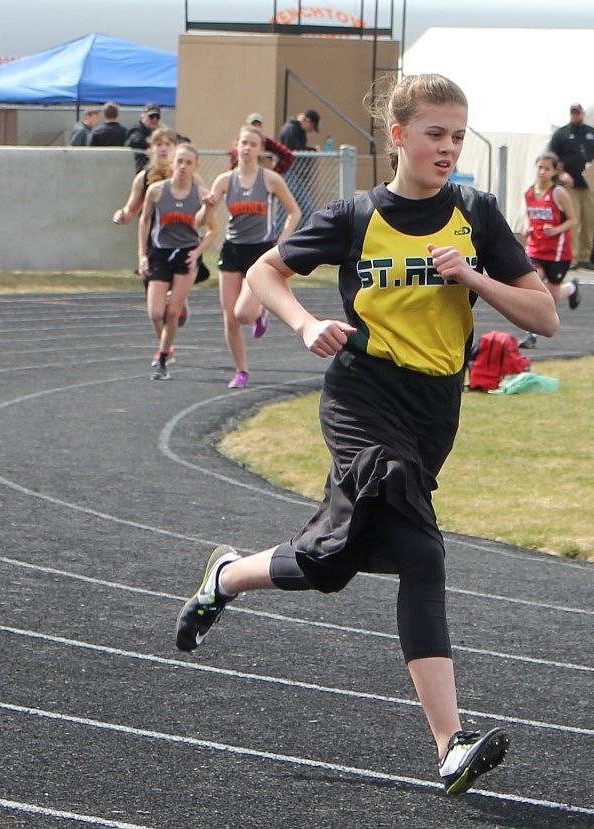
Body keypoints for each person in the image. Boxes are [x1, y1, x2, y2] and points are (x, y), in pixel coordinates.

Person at [174, 73, 558, 795]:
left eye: (456, 134)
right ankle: (451, 743)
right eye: (433, 133)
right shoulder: (355, 215)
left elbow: (543, 317)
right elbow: (264, 271)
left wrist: (475, 280)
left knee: (330, 561)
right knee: (421, 548)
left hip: (432, 406)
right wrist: (306, 323)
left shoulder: (475, 213)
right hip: (361, 395)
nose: (446, 147)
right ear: (398, 137)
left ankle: (225, 575)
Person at [206, 124, 302, 388]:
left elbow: (294, 211)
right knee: (230, 318)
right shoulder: (224, 181)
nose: (247, 148)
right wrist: (207, 210)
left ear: (260, 149)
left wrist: (283, 239)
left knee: (243, 314)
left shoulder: (270, 179)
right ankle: (241, 370)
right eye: (243, 143)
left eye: (253, 144)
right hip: (232, 250)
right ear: (236, 146)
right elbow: (203, 220)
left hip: (259, 252)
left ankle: (259, 311)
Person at [113, 126, 210, 357]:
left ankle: (175, 301)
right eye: (159, 144)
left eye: (168, 144)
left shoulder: (187, 173)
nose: (163, 149)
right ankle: (166, 344)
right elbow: (133, 209)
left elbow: (204, 198)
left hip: (184, 238)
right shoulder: (145, 178)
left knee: (173, 298)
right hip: (154, 241)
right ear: (152, 149)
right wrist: (123, 215)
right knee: (155, 309)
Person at [137, 142, 215, 380]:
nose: (183, 166)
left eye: (188, 162)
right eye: (179, 161)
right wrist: (142, 254)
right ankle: (166, 345)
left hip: (186, 254)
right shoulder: (157, 191)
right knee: (155, 312)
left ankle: (162, 358)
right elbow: (145, 221)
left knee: (172, 313)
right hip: (160, 252)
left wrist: (197, 251)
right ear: (171, 163)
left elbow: (209, 229)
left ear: (195, 166)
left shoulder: (201, 194)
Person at [518, 152, 579, 350]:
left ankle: (571, 289)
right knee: (534, 289)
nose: (542, 172)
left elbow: (572, 219)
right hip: (535, 249)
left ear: (554, 172)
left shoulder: (558, 193)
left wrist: (556, 230)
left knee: (552, 294)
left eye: (547, 168)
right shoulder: (529, 192)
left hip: (558, 252)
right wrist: (527, 226)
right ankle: (531, 334)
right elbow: (528, 214)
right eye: (540, 167)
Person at [548, 103, 594, 271]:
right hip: (570, 185)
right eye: (573, 113)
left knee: (590, 220)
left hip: (589, 184)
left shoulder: (592, 133)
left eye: (578, 112)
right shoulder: (562, 134)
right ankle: (571, 257)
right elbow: (552, 156)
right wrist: (561, 174)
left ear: (583, 113)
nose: (576, 115)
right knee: (573, 221)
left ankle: (585, 257)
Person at [278, 109, 321, 229]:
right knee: (303, 208)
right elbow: (294, 151)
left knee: (294, 209)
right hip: (289, 173)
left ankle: (293, 234)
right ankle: (280, 236)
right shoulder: (290, 130)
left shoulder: (296, 130)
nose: (310, 130)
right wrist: (312, 151)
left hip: (294, 174)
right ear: (307, 121)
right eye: (312, 127)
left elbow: (298, 148)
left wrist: (311, 150)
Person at [228, 113, 294, 174]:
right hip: (243, 175)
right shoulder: (240, 141)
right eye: (253, 125)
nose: (256, 127)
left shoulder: (267, 141)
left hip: (262, 177)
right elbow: (233, 154)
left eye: (258, 125)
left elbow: (287, 154)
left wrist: (276, 171)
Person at [125, 103, 163, 172]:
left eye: (157, 117)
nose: (154, 120)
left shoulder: (161, 131)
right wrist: (153, 145)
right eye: (151, 116)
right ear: (143, 116)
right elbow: (136, 140)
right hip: (140, 170)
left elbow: (177, 138)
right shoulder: (135, 129)